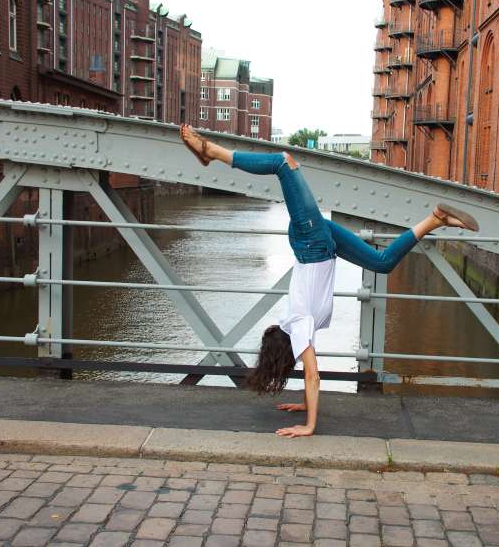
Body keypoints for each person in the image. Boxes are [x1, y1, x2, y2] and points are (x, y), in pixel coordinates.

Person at [180, 125, 479, 437]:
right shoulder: (297, 324)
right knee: (381, 261)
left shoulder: (300, 326)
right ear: (277, 340)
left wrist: (308, 413)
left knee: (284, 164)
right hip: (313, 240)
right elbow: (313, 375)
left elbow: (310, 373)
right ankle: (436, 219)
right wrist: (308, 421)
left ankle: (211, 153)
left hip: (314, 242)